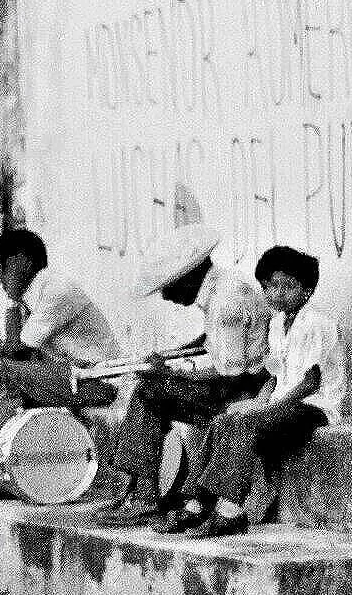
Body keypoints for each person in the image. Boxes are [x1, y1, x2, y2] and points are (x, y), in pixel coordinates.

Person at [163, 246, 344, 538]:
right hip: (284, 402)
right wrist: (256, 402)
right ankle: (198, 504)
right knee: (224, 419)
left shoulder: (316, 324)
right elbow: (274, 376)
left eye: (289, 286)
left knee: (248, 423)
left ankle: (230, 512)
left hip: (314, 407)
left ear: (307, 290)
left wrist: (266, 409)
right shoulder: (276, 325)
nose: (278, 293)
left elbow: (310, 382)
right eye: (271, 286)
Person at [104, 224, 273, 524]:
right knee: (153, 384)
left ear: (189, 276)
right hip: (239, 382)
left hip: (243, 390)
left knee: (149, 391)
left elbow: (230, 375)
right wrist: (170, 357)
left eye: (169, 286)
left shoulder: (226, 301)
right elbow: (213, 342)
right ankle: (140, 487)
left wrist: (170, 375)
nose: (166, 296)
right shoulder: (225, 285)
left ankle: (142, 492)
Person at [0, 229, 123, 484]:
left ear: (23, 261)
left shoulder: (56, 289)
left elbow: (19, 349)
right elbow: (15, 350)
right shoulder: (30, 299)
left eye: (1, 267)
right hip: (69, 378)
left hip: (95, 382)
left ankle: (2, 466)